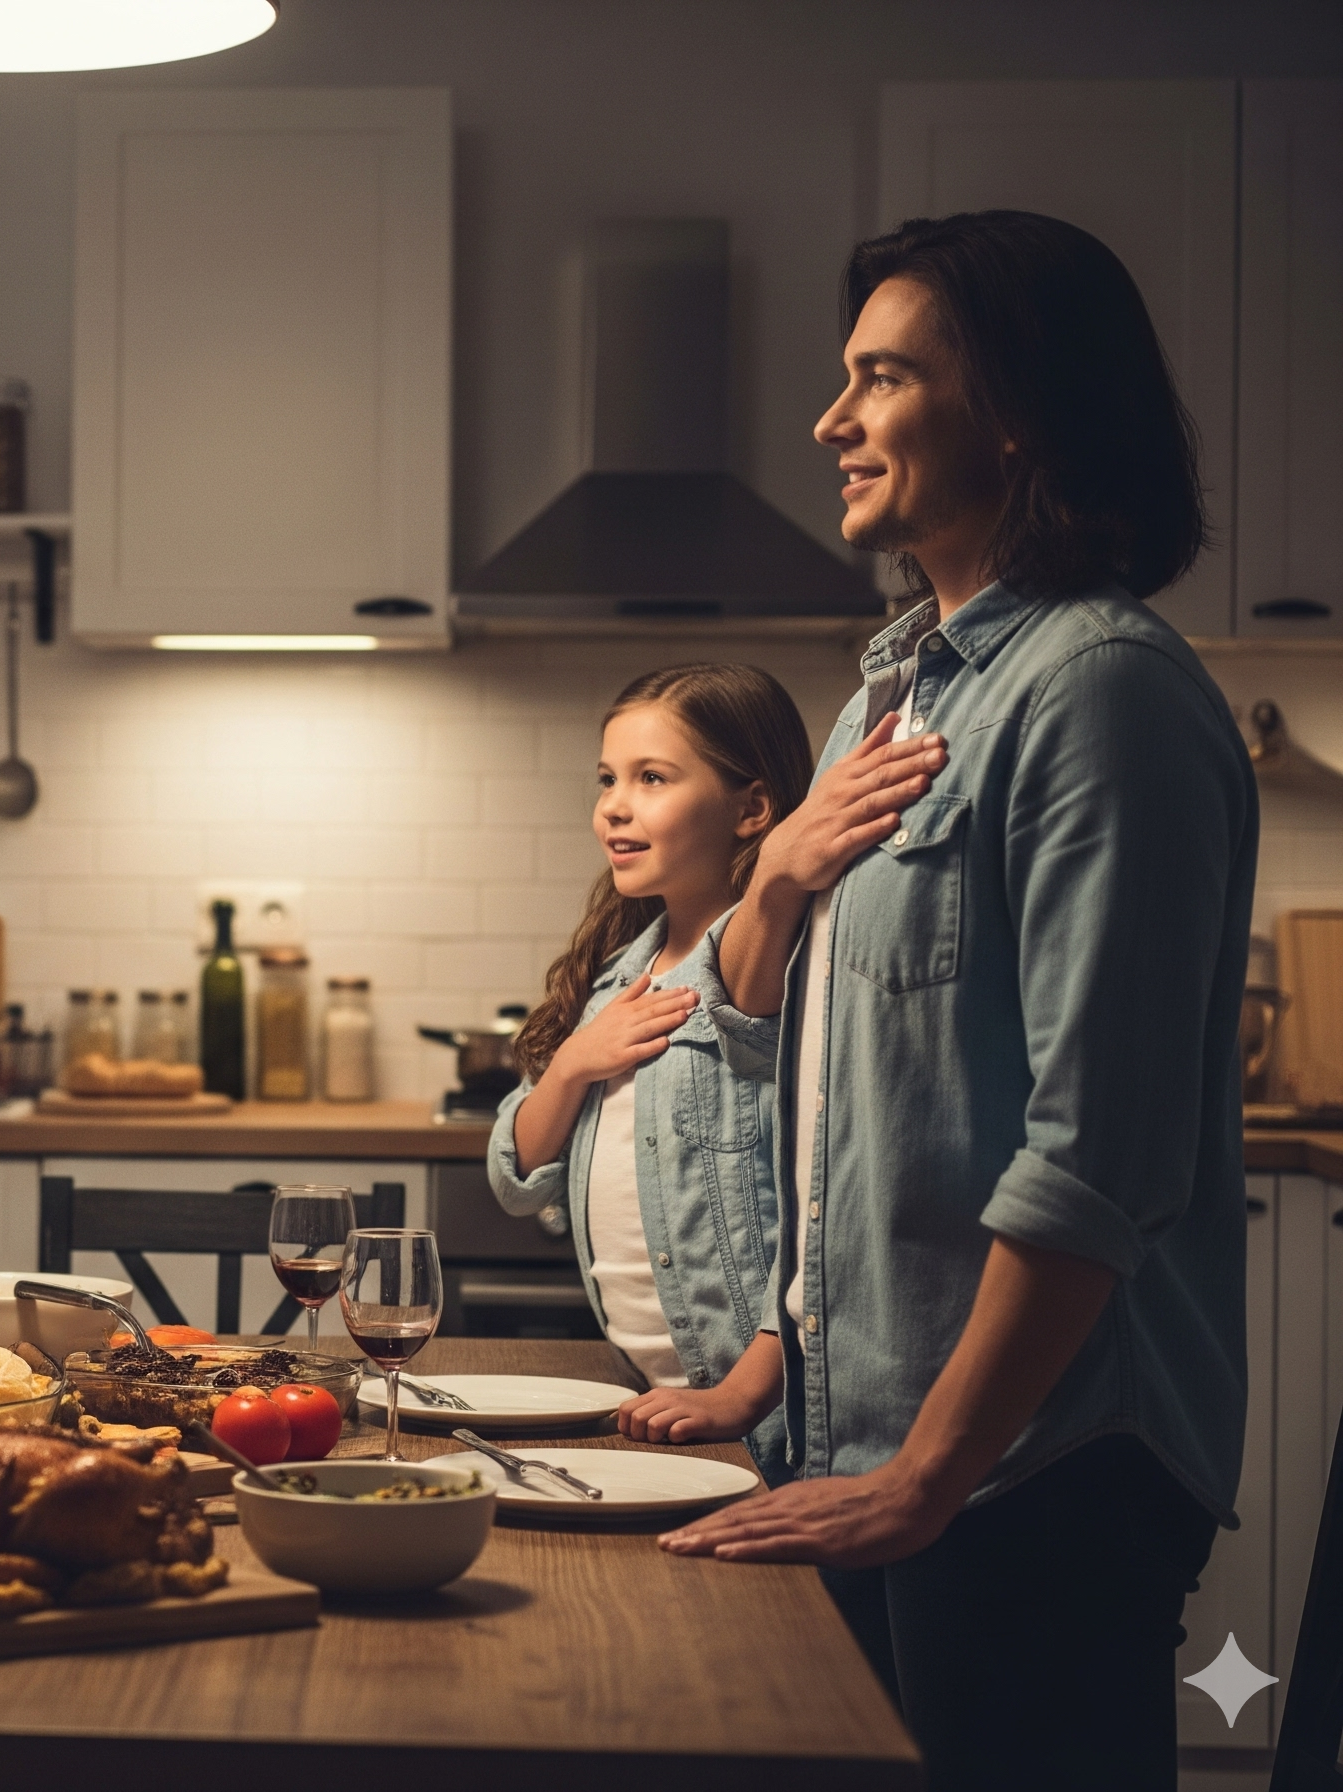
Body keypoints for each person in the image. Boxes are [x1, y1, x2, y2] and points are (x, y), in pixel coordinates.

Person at [662, 211, 1252, 1791]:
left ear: (1017, 414)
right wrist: (785, 1375)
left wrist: (927, 1476)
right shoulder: (902, 693)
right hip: (885, 1450)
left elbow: (1098, 1157)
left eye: (883, 378)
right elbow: (837, 1097)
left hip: (1028, 1471)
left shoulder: (1100, 692)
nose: (829, 421)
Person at [489, 664, 810, 1477]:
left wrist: (744, 1392)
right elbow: (514, 1177)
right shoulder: (615, 979)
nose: (614, 806)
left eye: (652, 778)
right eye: (608, 779)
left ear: (753, 809)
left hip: (766, 1421)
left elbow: (830, 1222)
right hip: (651, 1403)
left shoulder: (779, 974)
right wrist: (572, 1065)